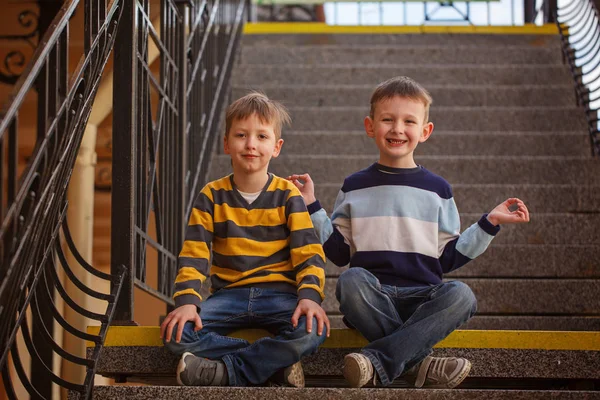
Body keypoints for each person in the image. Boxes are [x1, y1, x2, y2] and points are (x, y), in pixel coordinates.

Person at [287, 76, 530, 389]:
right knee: (349, 281)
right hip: (371, 296)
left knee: (461, 295)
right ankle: (419, 362)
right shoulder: (354, 186)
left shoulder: (439, 190)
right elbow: (337, 253)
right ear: (370, 126)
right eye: (387, 119)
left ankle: (378, 361)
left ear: (425, 131)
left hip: (422, 299)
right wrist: (312, 207)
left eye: (408, 121)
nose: (397, 128)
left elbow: (448, 259)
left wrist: (489, 223)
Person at [161, 92, 330, 388]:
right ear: (226, 143)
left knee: (312, 330)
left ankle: (226, 371)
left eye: (261, 136)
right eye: (241, 135)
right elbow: (194, 253)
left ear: (276, 147)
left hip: (280, 296)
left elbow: (308, 253)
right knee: (176, 332)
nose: (251, 144)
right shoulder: (211, 196)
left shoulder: (288, 196)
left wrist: (309, 297)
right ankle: (273, 366)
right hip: (228, 296)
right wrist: (187, 301)